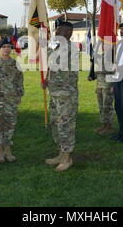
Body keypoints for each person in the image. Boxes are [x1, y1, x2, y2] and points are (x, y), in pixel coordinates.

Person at [42, 21, 79, 172]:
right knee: (55, 124)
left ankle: (67, 157)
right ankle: (61, 153)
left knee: (65, 126)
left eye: (59, 31)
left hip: (66, 95)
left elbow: (64, 72)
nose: (56, 34)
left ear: (69, 33)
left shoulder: (70, 49)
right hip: (55, 93)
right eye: (56, 31)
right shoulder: (58, 48)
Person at [93, 45, 115, 136]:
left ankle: (109, 126)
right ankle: (104, 124)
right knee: (101, 105)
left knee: (107, 105)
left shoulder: (112, 56)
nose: (102, 46)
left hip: (108, 84)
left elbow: (113, 70)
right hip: (100, 84)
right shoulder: (101, 56)